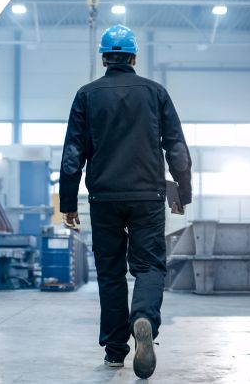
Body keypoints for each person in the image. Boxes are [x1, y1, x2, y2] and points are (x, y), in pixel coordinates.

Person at [59, 24, 192, 379]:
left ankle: (116, 351)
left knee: (110, 272)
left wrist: (68, 203)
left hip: (103, 197)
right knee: (149, 266)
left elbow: (73, 153)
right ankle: (144, 317)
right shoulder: (155, 93)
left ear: (104, 58)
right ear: (134, 57)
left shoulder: (86, 95)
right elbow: (176, 147)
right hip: (148, 195)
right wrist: (184, 191)